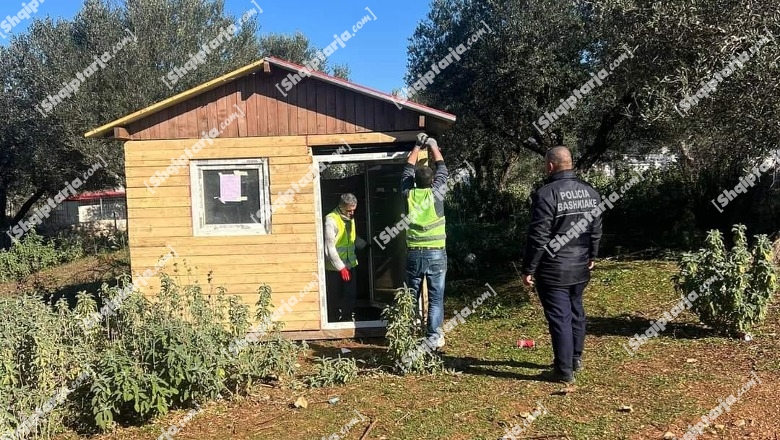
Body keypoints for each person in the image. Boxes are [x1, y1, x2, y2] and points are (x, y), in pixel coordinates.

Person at [521, 146, 603, 383]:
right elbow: (596, 230)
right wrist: (592, 255)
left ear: (550, 166)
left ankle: (563, 370)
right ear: (571, 163)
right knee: (576, 312)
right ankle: (575, 358)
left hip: (554, 268)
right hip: (580, 265)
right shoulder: (591, 192)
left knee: (560, 318)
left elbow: (538, 237)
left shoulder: (546, 194)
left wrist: (529, 268)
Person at [401, 133, 449, 348]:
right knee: (436, 298)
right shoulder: (437, 194)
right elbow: (443, 170)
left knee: (411, 296)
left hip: (414, 253)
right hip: (436, 253)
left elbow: (406, 170)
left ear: (415, 182)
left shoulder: (408, 195)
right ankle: (433, 338)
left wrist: (416, 146)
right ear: (432, 182)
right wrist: (433, 145)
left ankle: (408, 335)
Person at [324, 193, 367, 322]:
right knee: (334, 296)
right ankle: (333, 320)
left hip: (350, 265)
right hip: (335, 268)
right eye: (349, 210)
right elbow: (329, 247)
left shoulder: (350, 218)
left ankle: (347, 319)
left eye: (354, 210)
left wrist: (365, 245)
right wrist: (341, 267)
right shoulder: (331, 220)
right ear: (341, 207)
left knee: (350, 296)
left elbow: (351, 238)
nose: (352, 213)